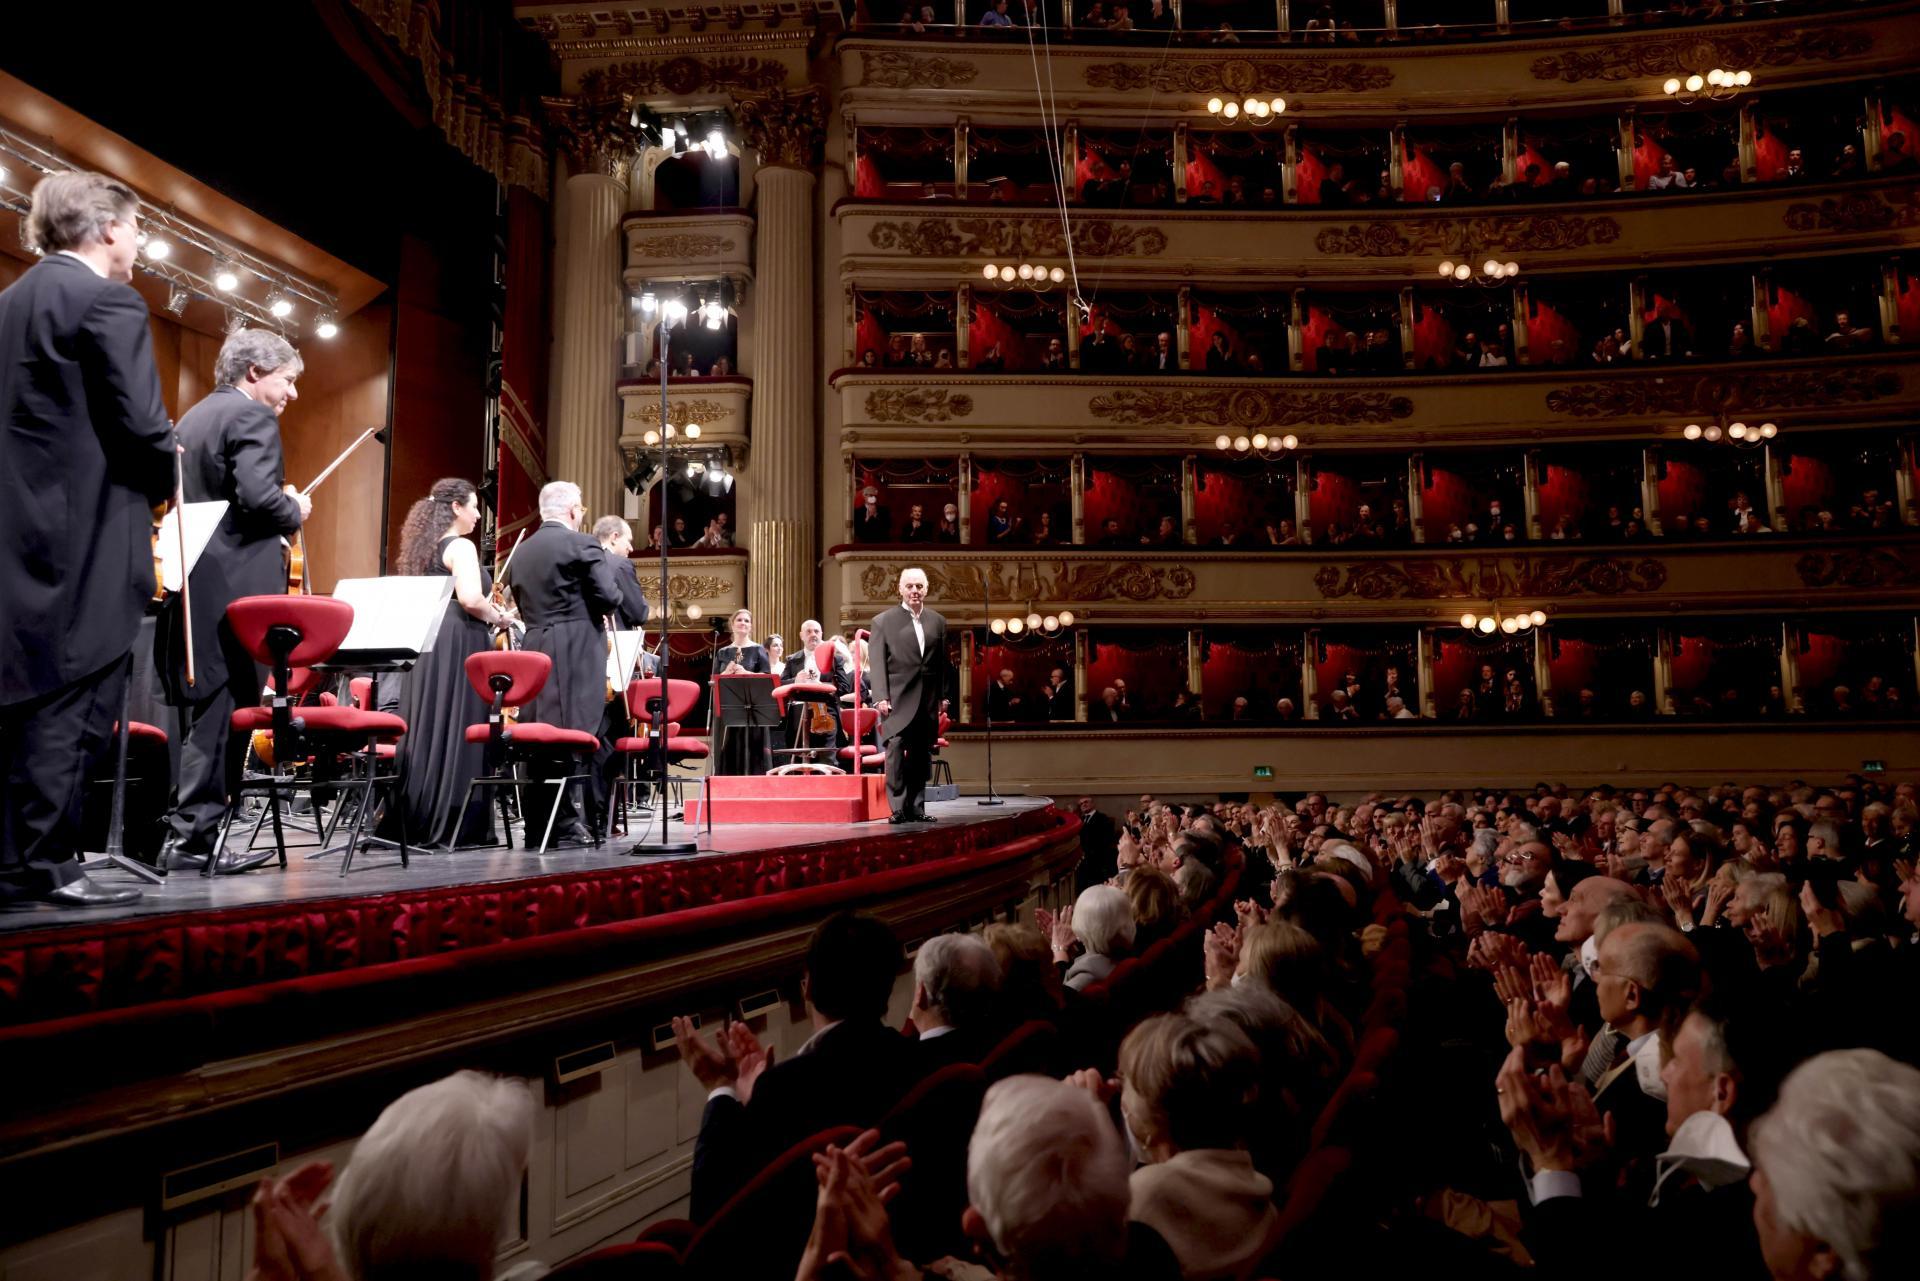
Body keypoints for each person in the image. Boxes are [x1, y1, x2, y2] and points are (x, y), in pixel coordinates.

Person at [0, 171, 173, 906]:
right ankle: (45, 868)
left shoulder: (8, 303)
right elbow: (140, 426)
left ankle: (12, 862)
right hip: (86, 538)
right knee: (72, 704)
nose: (138, 240)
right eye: (136, 226)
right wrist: (170, 469)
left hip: (16, 534)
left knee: (18, 698)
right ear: (106, 228)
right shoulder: (109, 300)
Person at [156, 328, 311, 875]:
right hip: (236, 592)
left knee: (202, 717)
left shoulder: (193, 417)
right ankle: (195, 843)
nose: (291, 394)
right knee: (224, 718)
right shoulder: (252, 417)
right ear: (254, 373)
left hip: (195, 581)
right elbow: (258, 499)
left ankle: (180, 836)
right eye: (287, 380)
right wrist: (295, 507)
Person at [673, 911, 918, 1221]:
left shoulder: (784, 1089)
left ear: (808, 988)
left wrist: (721, 1087)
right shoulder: (911, 1052)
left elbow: (712, 1211)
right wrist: (758, 1095)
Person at [385, 480, 517, 850]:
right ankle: (456, 822)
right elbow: (472, 599)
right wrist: (501, 618)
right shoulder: (460, 545)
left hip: (426, 641)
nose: (478, 515)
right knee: (458, 721)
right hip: (458, 638)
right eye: (475, 507)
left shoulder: (422, 547)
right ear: (457, 507)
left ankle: (419, 817)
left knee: (428, 722)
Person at [509, 481, 626, 848]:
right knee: (576, 736)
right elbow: (609, 596)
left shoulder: (522, 551)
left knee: (540, 737)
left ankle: (537, 827)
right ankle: (568, 824)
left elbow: (521, 598)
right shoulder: (583, 543)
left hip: (534, 647)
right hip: (575, 647)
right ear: (574, 510)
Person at [870, 568, 951, 824]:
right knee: (894, 751)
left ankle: (916, 807)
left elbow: (942, 663)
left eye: (919, 586)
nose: (914, 591)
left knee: (921, 755)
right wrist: (881, 696)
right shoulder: (882, 621)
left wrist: (943, 696)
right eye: (910, 586)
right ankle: (897, 809)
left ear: (926, 589)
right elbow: (877, 661)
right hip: (896, 698)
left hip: (926, 699)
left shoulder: (937, 621)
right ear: (900, 590)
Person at [589, 515, 649, 833]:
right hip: (613, 659)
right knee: (612, 739)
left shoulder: (581, 562)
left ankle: (589, 816)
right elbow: (638, 612)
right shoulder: (618, 565)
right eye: (628, 541)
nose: (630, 549)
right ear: (613, 537)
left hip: (581, 660)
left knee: (589, 737)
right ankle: (605, 818)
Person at [715, 607, 772, 775]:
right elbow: (714, 680)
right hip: (729, 707)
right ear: (732, 625)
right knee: (730, 745)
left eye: (747, 621)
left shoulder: (758, 649)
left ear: (751, 627)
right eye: (739, 620)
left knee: (753, 747)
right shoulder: (723, 652)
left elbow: (768, 677)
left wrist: (747, 673)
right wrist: (726, 673)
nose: (743, 623)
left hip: (753, 707)